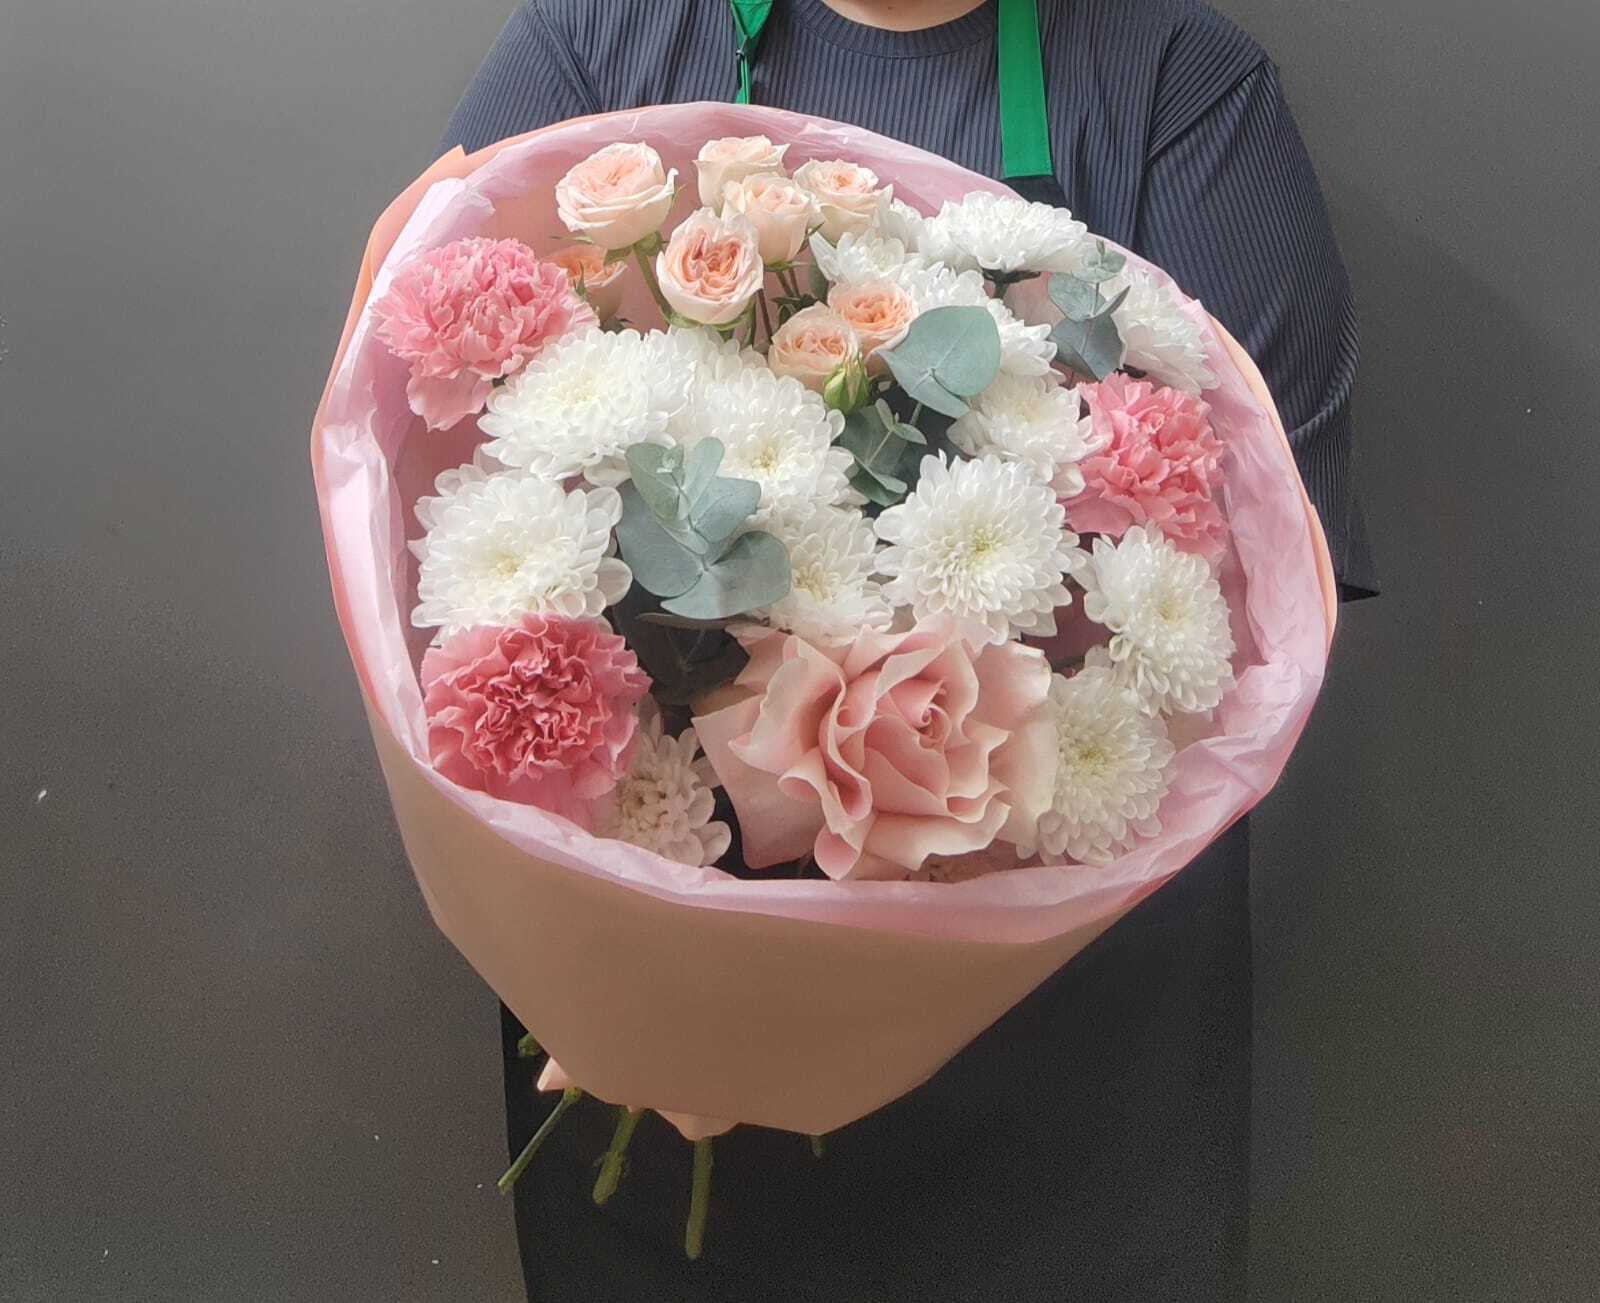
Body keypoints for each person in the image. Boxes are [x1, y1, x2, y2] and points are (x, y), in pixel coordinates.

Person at [443, 2, 1377, 1298]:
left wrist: (872, 956)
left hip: (1058, 1076)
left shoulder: (1186, 90)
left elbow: (1261, 584)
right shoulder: (603, 42)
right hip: (655, 1078)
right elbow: (450, 477)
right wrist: (632, 986)